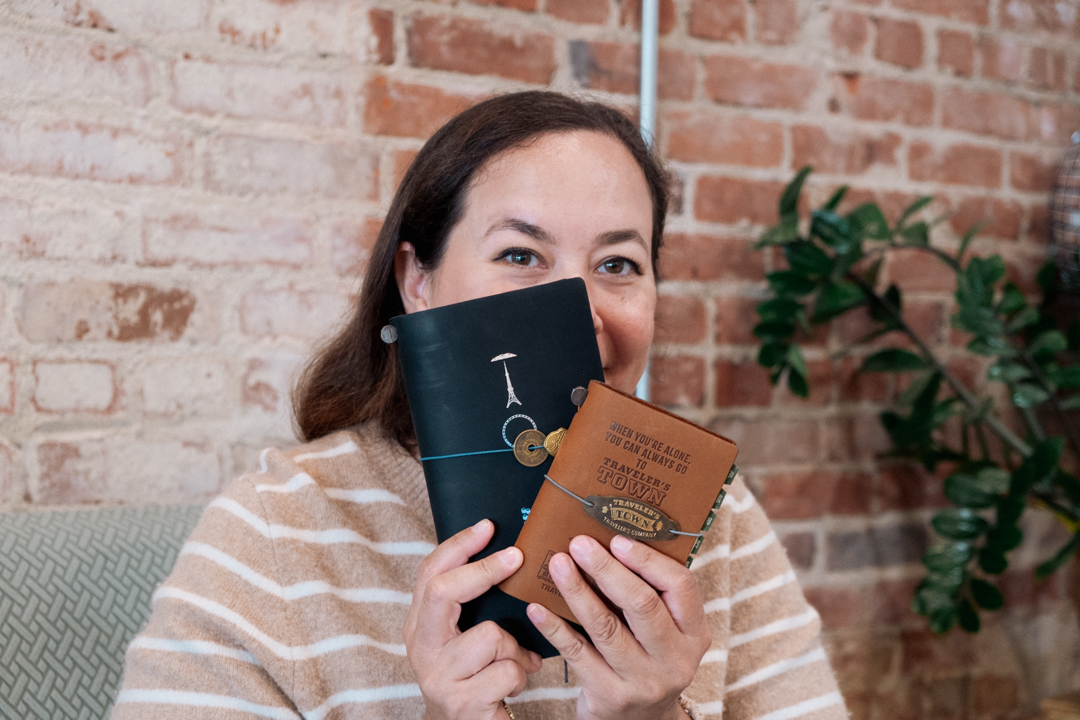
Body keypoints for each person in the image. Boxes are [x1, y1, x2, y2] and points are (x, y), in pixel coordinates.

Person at [112, 91, 845, 720]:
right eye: (521, 255)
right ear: (416, 280)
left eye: (619, 264)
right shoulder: (272, 537)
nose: (580, 309)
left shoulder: (715, 522)